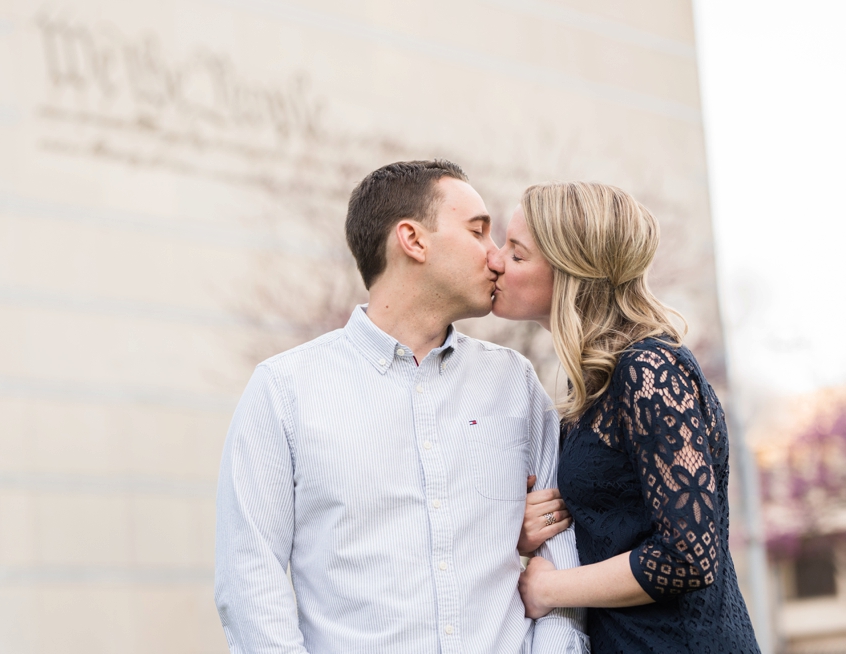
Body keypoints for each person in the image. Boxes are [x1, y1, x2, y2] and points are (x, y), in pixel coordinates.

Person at [214, 161, 588, 653]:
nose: (498, 258)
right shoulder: (284, 392)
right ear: (413, 240)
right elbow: (249, 582)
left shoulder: (515, 384)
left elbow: (561, 559)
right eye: (478, 232)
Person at [491, 181, 759, 652]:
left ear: (570, 270)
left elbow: (689, 554)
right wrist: (528, 525)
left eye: (516, 254)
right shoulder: (596, 382)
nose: (495, 260)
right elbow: (618, 519)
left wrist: (549, 588)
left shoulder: (649, 369)